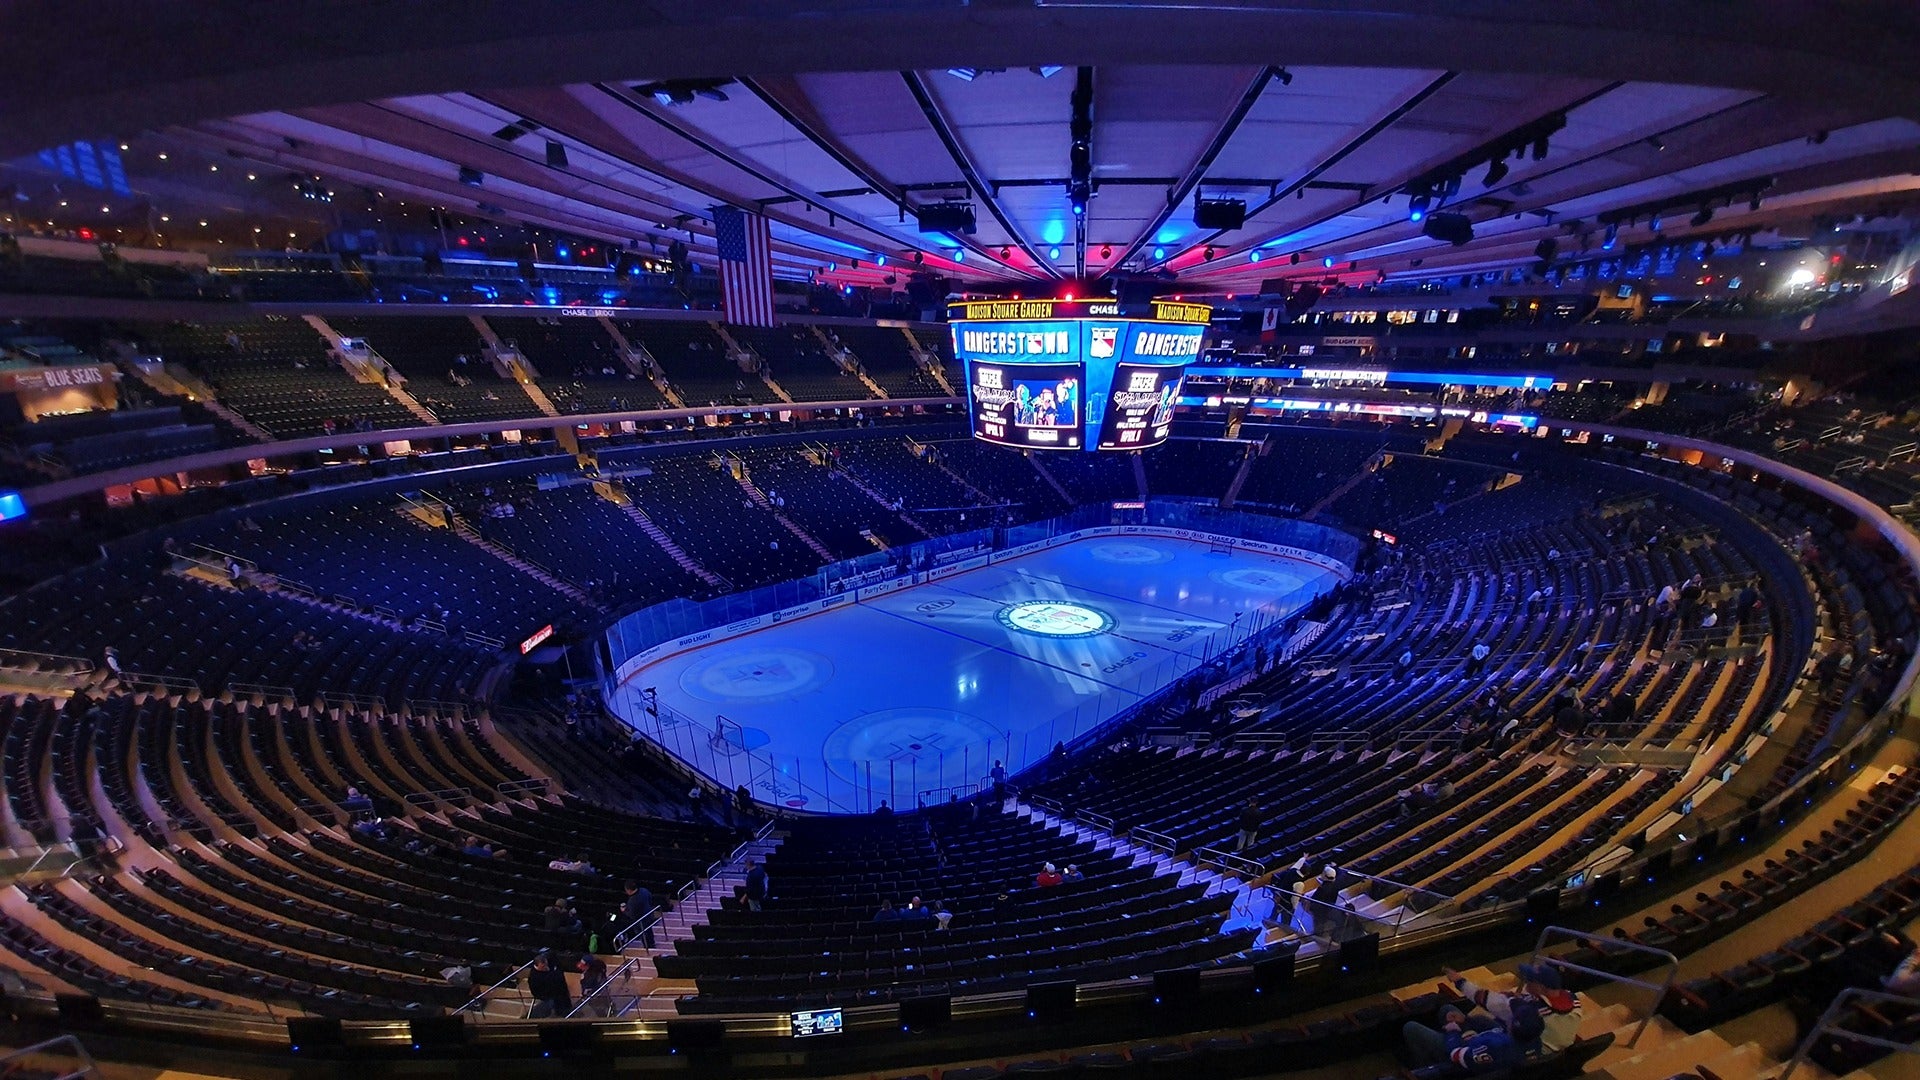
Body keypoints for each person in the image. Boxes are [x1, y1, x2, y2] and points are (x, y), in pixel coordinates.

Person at [1402, 1006, 1524, 1074]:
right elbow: (1495, 1029)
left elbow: (1456, 1054)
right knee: (1447, 1009)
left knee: (1411, 1027)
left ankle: (1425, 1067)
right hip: (1471, 1049)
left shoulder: (1490, 1048)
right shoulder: (1526, 1042)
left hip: (1456, 1061)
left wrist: (1453, 1032)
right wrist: (1466, 1020)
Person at [526, 952, 572, 1018]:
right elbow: (537, 991)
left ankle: (566, 1009)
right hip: (547, 994)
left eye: (546, 964)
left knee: (564, 998)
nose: (546, 967)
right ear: (537, 965)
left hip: (559, 989)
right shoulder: (534, 977)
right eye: (543, 966)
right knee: (555, 1003)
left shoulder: (549, 962)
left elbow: (558, 966)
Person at [620, 880, 657, 949]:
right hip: (649, 914)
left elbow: (632, 915)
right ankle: (652, 943)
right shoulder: (644, 890)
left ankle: (648, 946)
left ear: (628, 890)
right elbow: (650, 898)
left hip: (641, 921)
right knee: (649, 931)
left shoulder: (632, 901)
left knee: (644, 934)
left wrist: (624, 911)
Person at [576, 952, 609, 1017]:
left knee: (598, 1009)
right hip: (602, 988)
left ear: (588, 965)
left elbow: (586, 988)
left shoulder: (589, 976)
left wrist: (583, 995)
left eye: (583, 966)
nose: (581, 968)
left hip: (594, 994)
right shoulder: (599, 964)